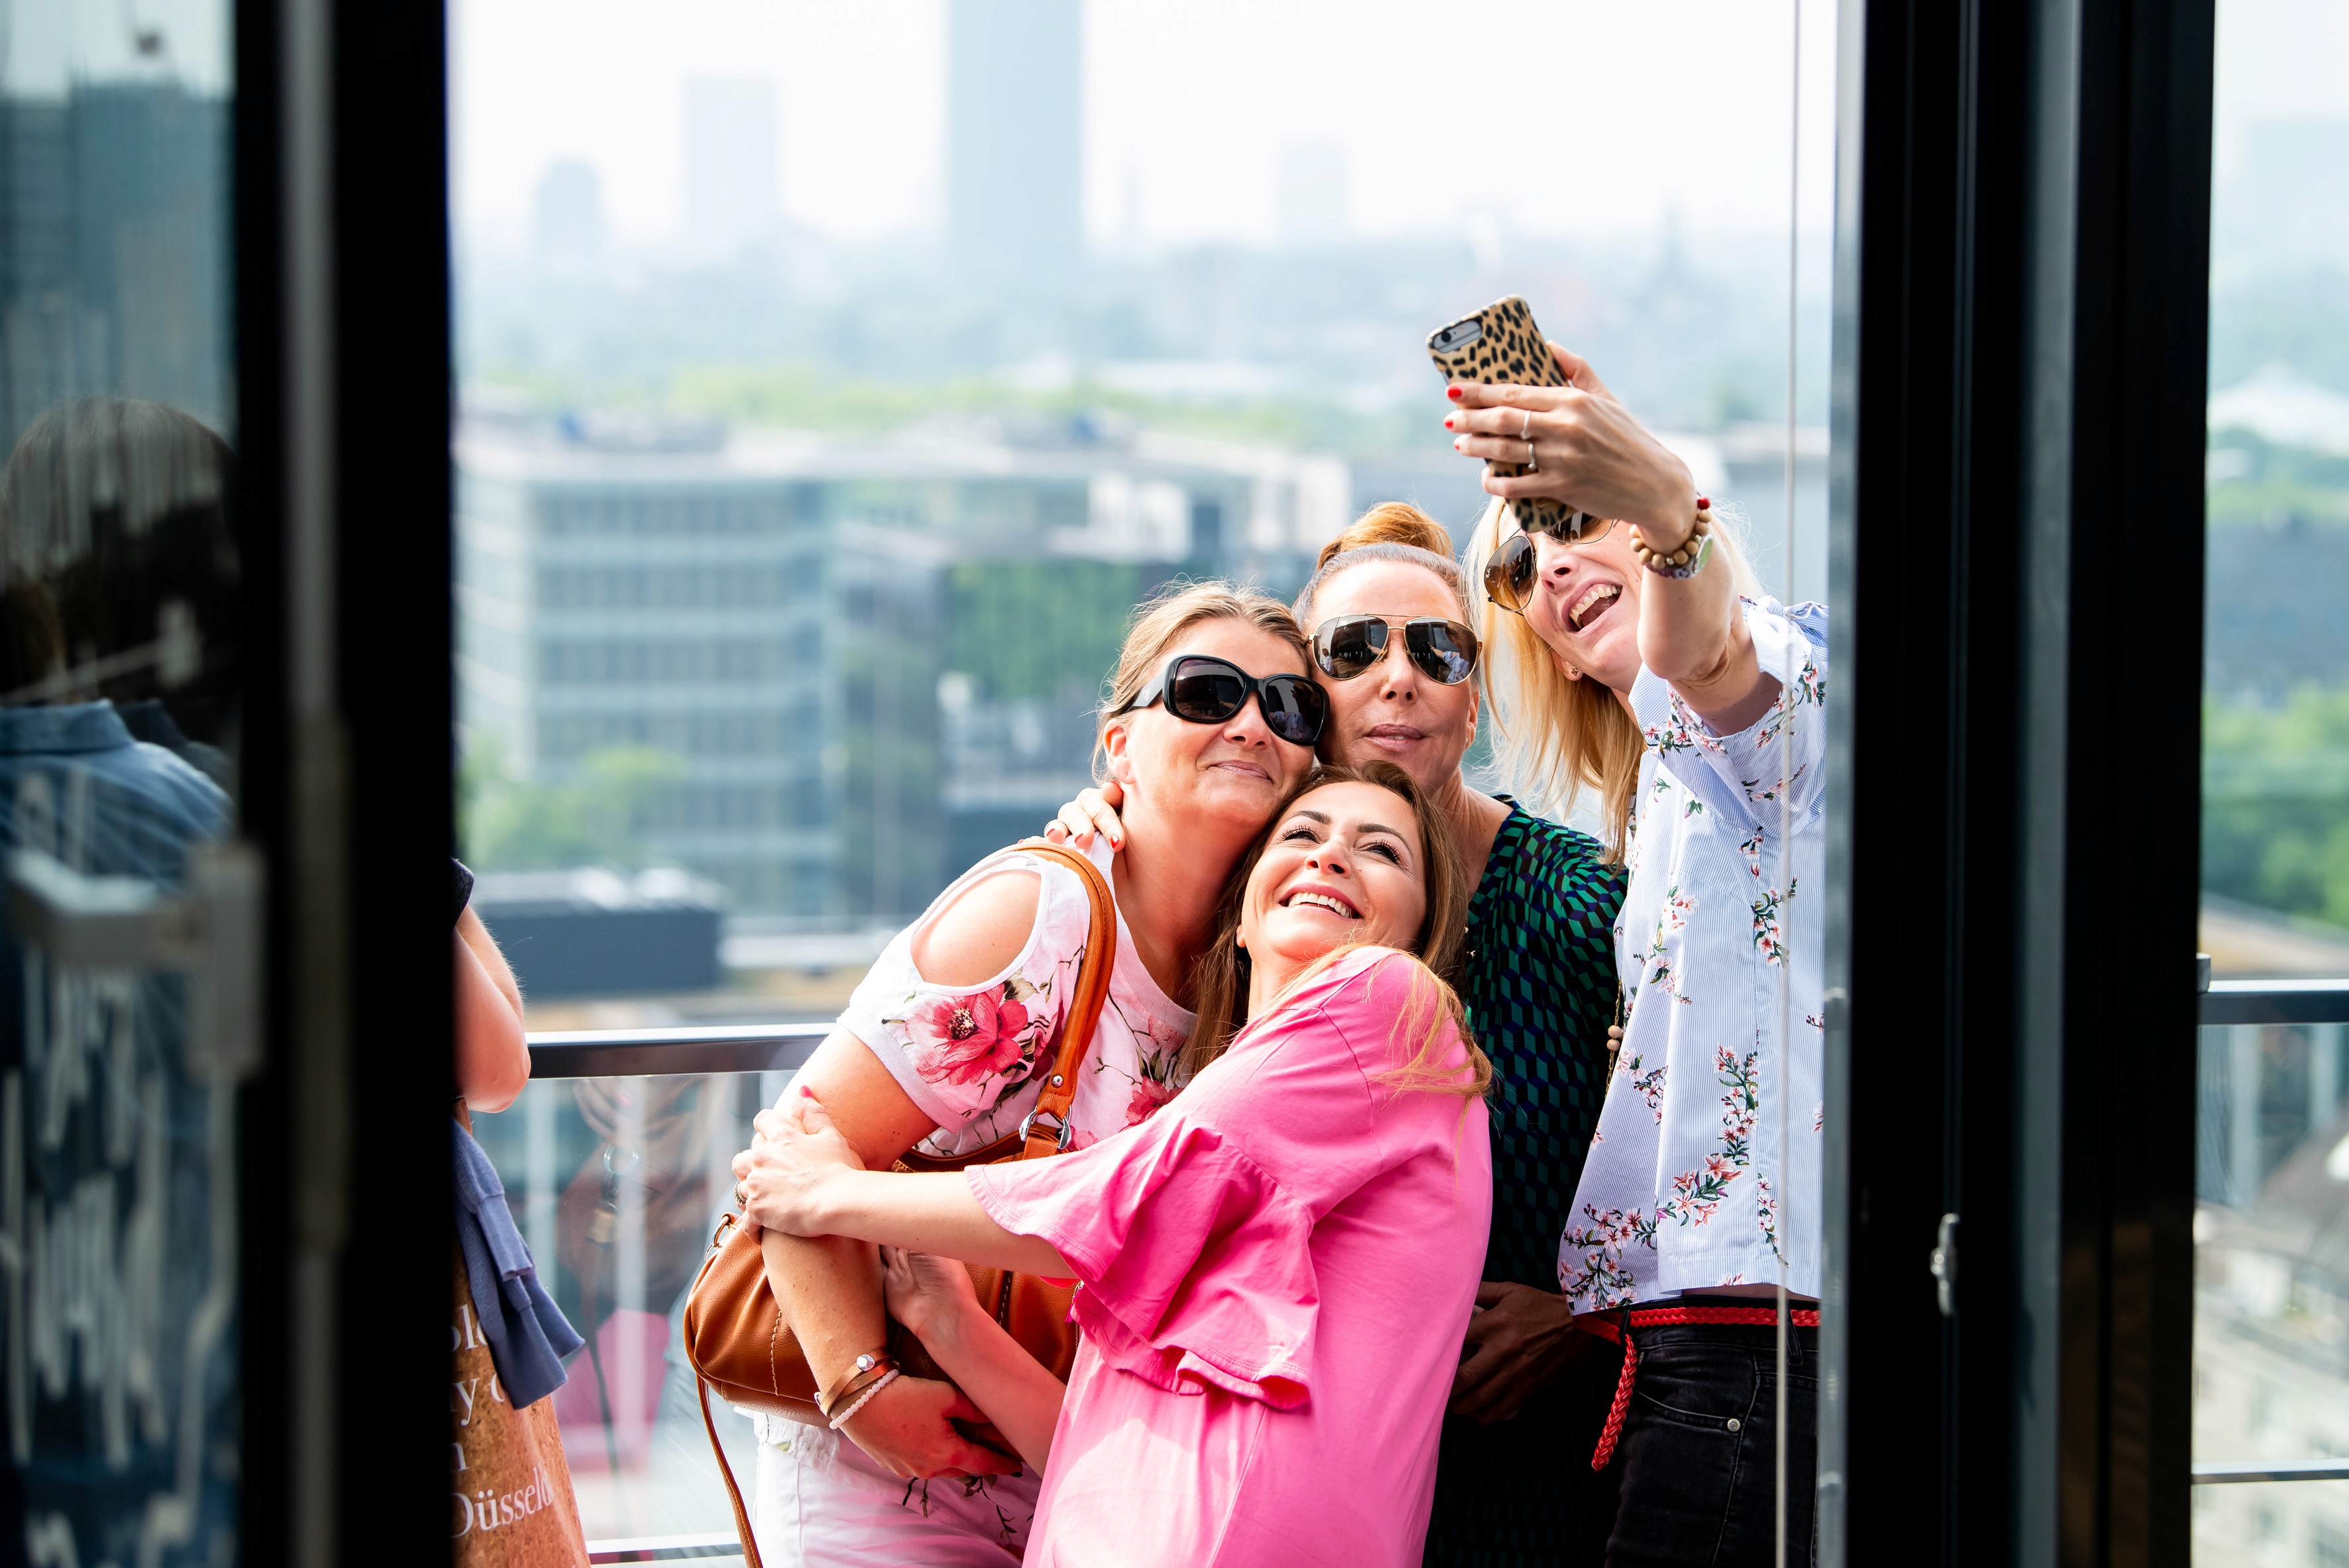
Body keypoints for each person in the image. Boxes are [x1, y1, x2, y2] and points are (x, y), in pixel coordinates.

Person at [736, 763, 1493, 1568]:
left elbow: (1126, 1194)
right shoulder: (1245, 1118)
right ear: (1236, 921)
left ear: (1422, 933)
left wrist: (828, 1193)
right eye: (1302, 834)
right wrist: (947, 1323)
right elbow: (1107, 1446)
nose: (1331, 855)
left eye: (1381, 851)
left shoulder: (1388, 997)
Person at [1052, 503, 1626, 1565]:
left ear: (1474, 696)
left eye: (1436, 650)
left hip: (1531, 1463)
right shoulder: (1269, 882)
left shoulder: (1574, 904)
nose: (1396, 677)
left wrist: (1591, 1319)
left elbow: (1717, 1126)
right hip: (1293, 1472)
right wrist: (1106, 820)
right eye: (1353, 650)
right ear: (1307, 699)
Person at [738, 583, 1325, 1565]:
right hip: (895, 1472)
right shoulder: (1039, 916)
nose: (1251, 723)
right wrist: (862, 1393)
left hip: (1084, 1471)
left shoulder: (1272, 982)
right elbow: (796, 1150)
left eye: (1288, 705)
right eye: (1206, 691)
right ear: (1117, 745)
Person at [1445, 344, 1825, 1562]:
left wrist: (1662, 509)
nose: (1553, 562)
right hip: (1684, 1341)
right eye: (1522, 559)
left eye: (1577, 520)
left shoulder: (1785, 693)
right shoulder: (1659, 801)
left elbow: (1710, 661)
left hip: (1754, 1337)